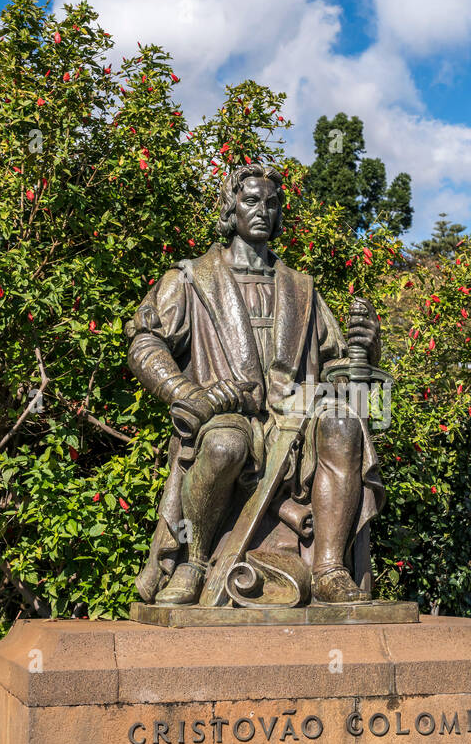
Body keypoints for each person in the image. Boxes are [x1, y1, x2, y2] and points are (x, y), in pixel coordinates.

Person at [125, 164, 385, 606]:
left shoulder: (302, 288)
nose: (262, 210)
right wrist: (186, 393)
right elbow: (144, 341)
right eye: (250, 201)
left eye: (271, 203)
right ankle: (196, 562)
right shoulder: (191, 278)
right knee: (225, 445)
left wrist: (367, 350)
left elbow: (340, 367)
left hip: (297, 419)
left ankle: (328, 569)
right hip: (229, 415)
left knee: (342, 423)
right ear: (231, 207)